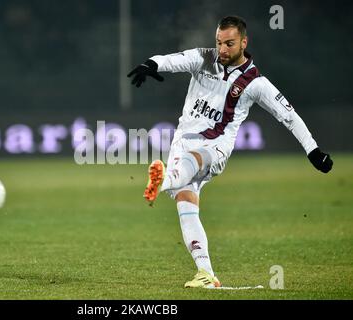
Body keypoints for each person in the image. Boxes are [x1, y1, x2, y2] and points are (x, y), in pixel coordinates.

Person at [127, 15, 333, 288]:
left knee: (193, 162)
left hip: (216, 147)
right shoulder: (203, 58)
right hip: (182, 141)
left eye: (229, 43)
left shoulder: (255, 82)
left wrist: (313, 150)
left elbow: (289, 116)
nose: (222, 49)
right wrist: (150, 63)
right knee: (186, 206)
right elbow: (172, 59)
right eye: (219, 42)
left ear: (243, 43)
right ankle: (206, 273)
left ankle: (162, 181)